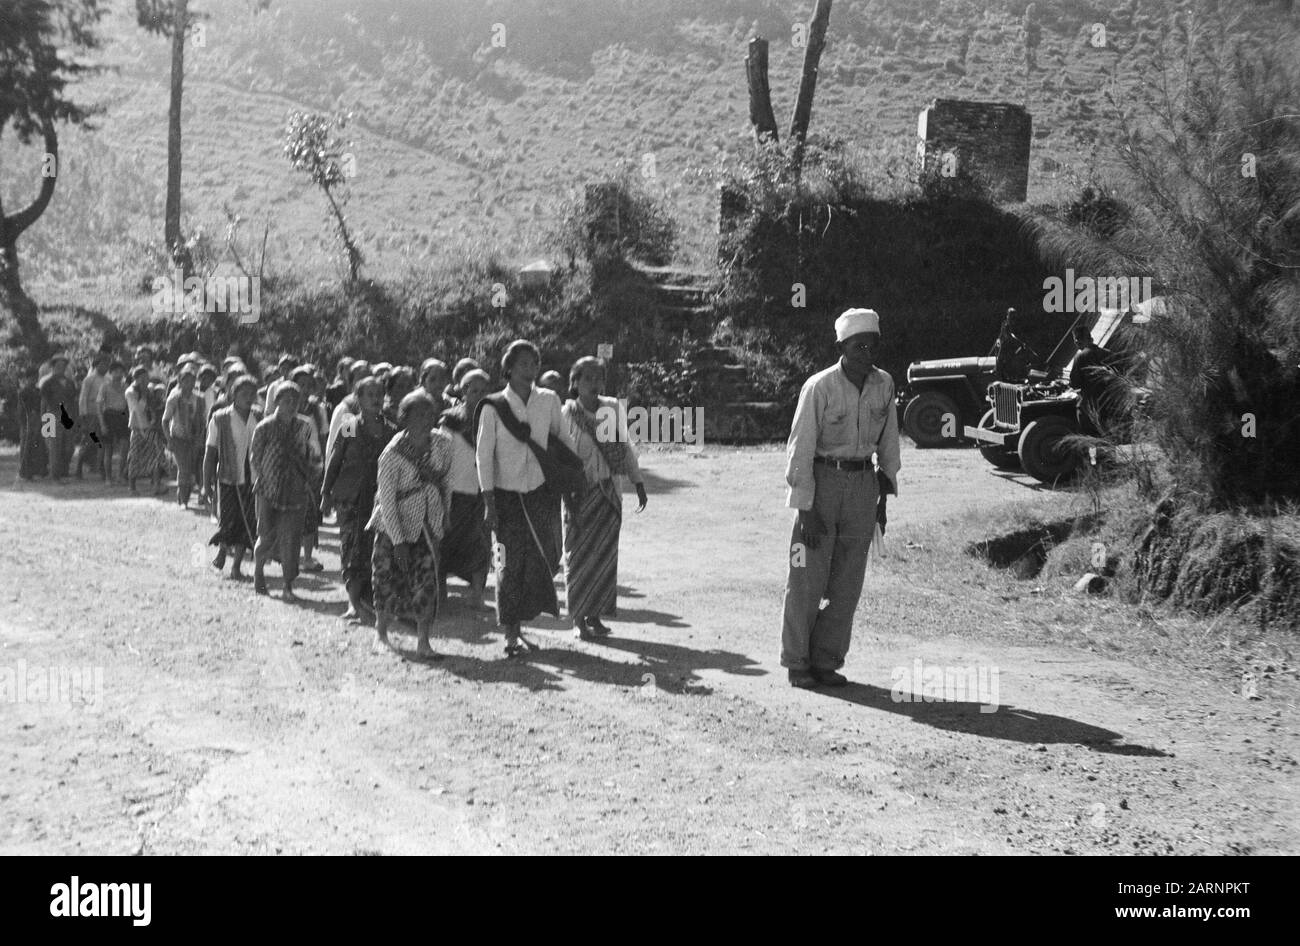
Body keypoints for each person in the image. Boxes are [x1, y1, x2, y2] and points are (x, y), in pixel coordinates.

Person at [781, 308, 901, 689]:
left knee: (848, 582)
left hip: (863, 484)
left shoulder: (884, 385)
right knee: (807, 578)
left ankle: (826, 661)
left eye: (872, 345)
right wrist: (805, 508)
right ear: (842, 346)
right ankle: (797, 662)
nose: (866, 352)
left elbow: (889, 444)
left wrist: (881, 500)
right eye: (858, 345)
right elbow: (800, 447)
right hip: (822, 482)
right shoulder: (820, 387)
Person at [476, 339, 579, 657]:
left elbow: (563, 438)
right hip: (505, 498)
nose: (530, 369)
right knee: (507, 563)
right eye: (523, 363)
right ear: (508, 367)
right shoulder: (493, 406)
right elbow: (483, 454)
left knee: (544, 558)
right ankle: (510, 633)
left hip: (540, 494)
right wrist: (488, 500)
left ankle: (523, 620)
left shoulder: (548, 400)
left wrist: (573, 477)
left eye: (534, 364)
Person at [561, 357, 648, 639]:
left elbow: (624, 447)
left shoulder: (611, 408)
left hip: (609, 492)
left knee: (605, 557)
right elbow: (560, 455)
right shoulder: (567, 413)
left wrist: (638, 482)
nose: (595, 384)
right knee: (578, 556)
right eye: (588, 378)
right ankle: (577, 619)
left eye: (599, 378)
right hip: (578, 493)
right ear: (574, 382)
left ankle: (596, 616)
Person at [368, 392, 453, 658]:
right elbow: (388, 502)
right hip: (393, 527)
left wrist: (444, 516)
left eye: (430, 414)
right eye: (419, 415)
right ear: (404, 419)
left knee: (427, 583)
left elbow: (445, 484)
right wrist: (399, 541)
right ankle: (381, 633)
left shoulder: (443, 444)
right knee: (385, 579)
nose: (426, 420)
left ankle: (423, 642)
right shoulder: (391, 454)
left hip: (427, 525)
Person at [322, 376, 395, 622]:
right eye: (369, 395)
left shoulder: (391, 430)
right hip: (349, 498)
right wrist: (326, 493)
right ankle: (353, 604)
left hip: (377, 501)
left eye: (379, 394)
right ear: (359, 399)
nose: (375, 399)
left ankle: (371, 601)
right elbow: (335, 460)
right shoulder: (349, 425)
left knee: (372, 550)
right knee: (350, 549)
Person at [249, 381, 321, 601]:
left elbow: (314, 456)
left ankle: (288, 585)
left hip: (296, 491)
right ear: (277, 401)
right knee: (266, 535)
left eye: (295, 401)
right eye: (287, 401)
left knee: (291, 540)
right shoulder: (264, 427)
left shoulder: (305, 427)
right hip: (268, 490)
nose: (291, 405)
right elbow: (255, 457)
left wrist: (309, 475)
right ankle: (259, 572)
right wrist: (269, 477)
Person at [437, 368, 492, 609]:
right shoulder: (449, 420)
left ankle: (477, 595)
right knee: (445, 544)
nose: (478, 395)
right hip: (453, 493)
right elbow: (441, 457)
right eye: (473, 390)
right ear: (463, 391)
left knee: (480, 546)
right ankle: (440, 595)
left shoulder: (492, 419)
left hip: (480, 493)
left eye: (483, 390)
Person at [202, 375, 259, 579]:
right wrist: (206, 484)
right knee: (228, 520)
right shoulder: (220, 418)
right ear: (233, 394)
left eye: (252, 393)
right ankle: (222, 551)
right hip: (228, 478)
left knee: (248, 522)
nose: (248, 397)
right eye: (244, 393)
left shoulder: (258, 418)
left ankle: (236, 567)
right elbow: (210, 453)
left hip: (253, 479)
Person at [292, 365, 329, 572]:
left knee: (309, 512)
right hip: (290, 466)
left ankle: (306, 557)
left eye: (308, 385)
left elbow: (323, 437)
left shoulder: (318, 409)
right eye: (301, 384)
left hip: (312, 466)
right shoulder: (285, 404)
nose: (304, 389)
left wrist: (323, 464)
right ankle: (289, 554)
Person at [1069, 323, 1122, 437]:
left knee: (1093, 438)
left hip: (1089, 405)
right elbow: (1119, 376)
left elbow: (1074, 383)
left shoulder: (1080, 357)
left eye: (1076, 340)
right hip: (1108, 403)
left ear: (1078, 340)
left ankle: (1096, 455)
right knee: (1107, 436)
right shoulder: (1107, 353)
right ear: (1091, 338)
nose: (1076, 344)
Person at [162, 366, 205, 507]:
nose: (190, 384)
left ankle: (183, 496)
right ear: (180, 381)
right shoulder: (174, 398)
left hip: (194, 438)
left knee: (191, 469)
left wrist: (200, 438)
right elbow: (165, 420)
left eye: (192, 380)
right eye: (186, 380)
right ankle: (184, 500)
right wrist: (169, 440)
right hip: (178, 438)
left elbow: (202, 420)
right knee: (184, 469)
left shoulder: (199, 398)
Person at [38, 353, 79, 482]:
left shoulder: (70, 383)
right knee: (54, 447)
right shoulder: (47, 383)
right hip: (51, 415)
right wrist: (44, 420)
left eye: (64, 366)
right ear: (53, 367)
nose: (61, 368)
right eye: (58, 365)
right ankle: (55, 475)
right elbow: (44, 402)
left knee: (69, 447)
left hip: (68, 416)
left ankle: (63, 470)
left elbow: (73, 401)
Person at [125, 366, 165, 495]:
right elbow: (137, 409)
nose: (145, 380)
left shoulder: (149, 390)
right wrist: (143, 394)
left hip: (150, 427)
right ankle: (132, 488)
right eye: (142, 378)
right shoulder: (130, 392)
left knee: (157, 455)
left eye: (146, 378)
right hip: (137, 428)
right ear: (135, 379)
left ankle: (156, 485)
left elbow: (154, 406)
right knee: (134, 457)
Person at [73, 353, 109, 480]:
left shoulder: (107, 380)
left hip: (104, 414)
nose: (105, 367)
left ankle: (101, 469)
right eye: (102, 364)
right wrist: (83, 414)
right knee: (89, 441)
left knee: (102, 442)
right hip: (91, 414)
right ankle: (79, 467)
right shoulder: (89, 379)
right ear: (96, 365)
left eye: (107, 364)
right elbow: (83, 398)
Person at [97, 362, 129, 484]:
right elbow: (99, 405)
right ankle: (108, 478)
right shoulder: (105, 386)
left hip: (122, 417)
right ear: (111, 373)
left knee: (125, 446)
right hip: (109, 416)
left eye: (121, 371)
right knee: (108, 449)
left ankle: (120, 475)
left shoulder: (126, 386)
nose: (119, 374)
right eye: (116, 371)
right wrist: (102, 423)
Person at [17, 364, 49, 481]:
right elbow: (21, 410)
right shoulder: (23, 392)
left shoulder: (38, 391)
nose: (34, 379)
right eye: (31, 377)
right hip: (28, 420)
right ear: (27, 378)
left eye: (35, 377)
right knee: (27, 446)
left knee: (39, 446)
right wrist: (25, 422)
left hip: (39, 419)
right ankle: (26, 473)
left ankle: (40, 470)